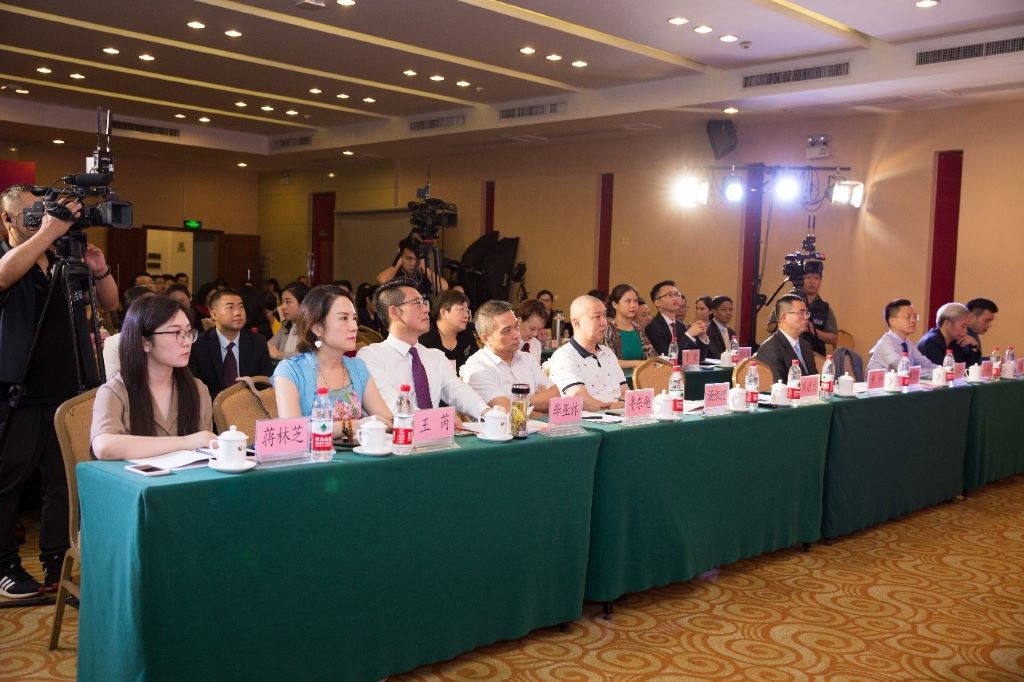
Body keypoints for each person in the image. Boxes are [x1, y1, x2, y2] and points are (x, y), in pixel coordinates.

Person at [0, 184, 119, 597]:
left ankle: (56, 561)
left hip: (67, 387)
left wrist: (98, 268)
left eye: (44, 212)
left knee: (62, 481)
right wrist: (48, 232)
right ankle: (5, 565)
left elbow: (109, 303)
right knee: (7, 481)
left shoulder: (62, 258)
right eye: (32, 214)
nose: (42, 220)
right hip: (15, 389)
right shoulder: (10, 256)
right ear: (7, 219)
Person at [90, 295, 216, 460]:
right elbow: (104, 446)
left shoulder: (197, 389)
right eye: (176, 332)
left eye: (188, 332)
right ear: (144, 342)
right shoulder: (115, 390)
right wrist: (186, 442)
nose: (187, 342)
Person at [274, 285, 392, 439]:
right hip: (314, 455)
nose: (354, 327)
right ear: (317, 328)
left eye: (354, 318)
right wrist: (352, 426)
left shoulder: (358, 367)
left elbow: (387, 420)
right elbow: (292, 431)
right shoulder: (290, 371)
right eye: (343, 318)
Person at [357, 279, 487, 418]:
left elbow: (458, 390)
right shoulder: (371, 356)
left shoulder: (435, 356)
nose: (426, 309)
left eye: (424, 303)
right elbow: (392, 404)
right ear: (394, 312)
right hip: (396, 431)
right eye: (417, 303)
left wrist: (486, 412)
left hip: (434, 430)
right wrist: (436, 420)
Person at [461, 300, 559, 412]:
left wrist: (519, 402)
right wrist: (539, 402)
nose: (517, 335)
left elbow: (555, 396)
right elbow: (505, 410)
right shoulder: (478, 367)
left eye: (516, 326)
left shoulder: (527, 358)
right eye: (507, 330)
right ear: (485, 338)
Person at [189, 288, 274, 399]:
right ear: (214, 314)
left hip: (250, 404)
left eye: (241, 307)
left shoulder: (258, 342)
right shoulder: (198, 345)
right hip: (211, 406)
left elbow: (266, 384)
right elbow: (194, 388)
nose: (238, 313)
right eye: (230, 307)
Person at [548, 295, 627, 411]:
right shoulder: (564, 356)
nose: (604, 322)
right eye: (597, 317)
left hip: (619, 415)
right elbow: (582, 401)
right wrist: (614, 407)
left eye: (604, 315)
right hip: (589, 419)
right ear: (576, 323)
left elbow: (625, 392)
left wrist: (621, 405)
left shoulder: (607, 352)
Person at [766, 264, 838, 355]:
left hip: (815, 357)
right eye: (808, 277)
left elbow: (833, 338)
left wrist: (814, 331)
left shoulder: (825, 308)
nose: (812, 281)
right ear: (800, 280)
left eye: (816, 278)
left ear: (820, 281)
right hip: (784, 354)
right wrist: (789, 323)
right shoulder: (786, 302)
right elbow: (770, 327)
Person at [754, 294, 817, 383]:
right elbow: (779, 386)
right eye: (801, 313)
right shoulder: (770, 348)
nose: (806, 317)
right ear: (784, 317)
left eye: (806, 313)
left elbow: (815, 379)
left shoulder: (805, 346)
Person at [644, 280, 709, 363]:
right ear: (657, 302)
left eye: (677, 294)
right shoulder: (653, 327)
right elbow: (668, 358)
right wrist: (689, 334)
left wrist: (702, 337)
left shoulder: (681, 325)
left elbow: (698, 358)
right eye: (670, 295)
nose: (675, 298)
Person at [866, 299, 937, 372]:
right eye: (908, 317)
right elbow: (904, 370)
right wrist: (935, 372)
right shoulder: (886, 344)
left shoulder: (907, 343)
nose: (913, 320)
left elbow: (925, 363)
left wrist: (941, 370)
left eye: (914, 317)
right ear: (892, 321)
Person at [103, 286, 157, 379]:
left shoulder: (167, 336)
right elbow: (113, 380)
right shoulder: (115, 342)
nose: (155, 310)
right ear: (131, 312)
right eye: (146, 306)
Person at [418, 289, 477, 372]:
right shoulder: (423, 340)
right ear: (443, 313)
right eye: (461, 309)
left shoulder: (467, 334)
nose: (466, 315)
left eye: (467, 311)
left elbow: (477, 363)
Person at [375, 236, 448, 301]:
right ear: (401, 257)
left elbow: (444, 288)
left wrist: (424, 267)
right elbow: (382, 281)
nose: (413, 263)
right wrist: (397, 261)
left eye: (416, 259)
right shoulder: (395, 276)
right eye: (409, 258)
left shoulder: (424, 275)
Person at [603, 283, 655, 369]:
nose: (633, 305)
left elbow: (651, 356)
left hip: (639, 376)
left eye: (635, 301)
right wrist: (639, 363)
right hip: (616, 376)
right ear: (615, 304)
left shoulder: (637, 328)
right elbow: (608, 361)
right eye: (628, 301)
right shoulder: (606, 327)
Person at [268, 281, 309, 361]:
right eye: (282, 302)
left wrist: (279, 355)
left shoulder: (314, 328)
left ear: (303, 303)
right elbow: (269, 345)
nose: (283, 307)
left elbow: (308, 356)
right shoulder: (286, 325)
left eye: (288, 302)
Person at [963, 298, 998, 365]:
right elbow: (968, 363)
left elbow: (976, 359)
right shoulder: (961, 335)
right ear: (971, 317)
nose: (989, 325)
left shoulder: (973, 333)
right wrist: (993, 361)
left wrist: (993, 360)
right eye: (986, 321)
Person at [515, 298, 548, 365]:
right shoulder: (506, 344)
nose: (535, 334)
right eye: (532, 328)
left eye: (539, 330)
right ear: (519, 321)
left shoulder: (536, 344)